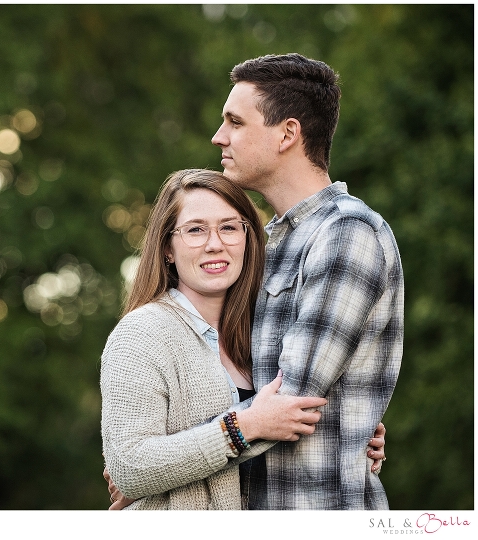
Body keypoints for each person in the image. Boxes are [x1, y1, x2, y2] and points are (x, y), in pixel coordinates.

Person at [105, 53, 398, 511]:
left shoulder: (345, 234)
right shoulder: (268, 246)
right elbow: (255, 402)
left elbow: (288, 405)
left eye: (235, 122)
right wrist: (150, 465)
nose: (219, 137)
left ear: (288, 133)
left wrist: (159, 467)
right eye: (197, 231)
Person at [100, 168, 329, 510]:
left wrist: (354, 435)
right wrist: (246, 426)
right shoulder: (142, 334)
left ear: (247, 237)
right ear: (167, 249)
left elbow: (290, 420)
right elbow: (129, 467)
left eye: (228, 227)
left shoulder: (264, 332)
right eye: (195, 230)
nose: (214, 244)